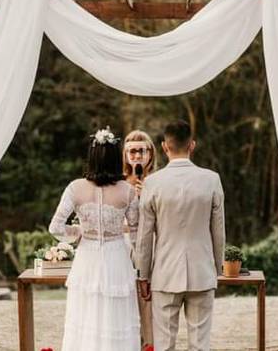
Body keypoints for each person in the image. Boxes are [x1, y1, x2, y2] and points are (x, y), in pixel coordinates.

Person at [135, 120, 225, 351]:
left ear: (164, 147)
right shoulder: (211, 179)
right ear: (192, 145)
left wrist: (143, 275)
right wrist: (217, 269)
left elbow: (144, 237)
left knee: (164, 344)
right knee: (200, 344)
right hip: (202, 271)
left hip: (164, 273)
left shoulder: (152, 183)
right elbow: (218, 231)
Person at [49, 127, 140, 351]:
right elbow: (139, 234)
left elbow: (55, 227)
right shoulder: (127, 191)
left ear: (92, 157)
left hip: (87, 259)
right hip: (117, 258)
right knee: (115, 316)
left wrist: (78, 232)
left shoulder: (75, 188)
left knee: (86, 314)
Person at [123, 130, 157, 349]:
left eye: (141, 150)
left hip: (153, 248)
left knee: (149, 305)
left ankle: (151, 344)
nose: (136, 156)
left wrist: (147, 195)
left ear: (150, 153)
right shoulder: (117, 183)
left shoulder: (159, 181)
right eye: (131, 151)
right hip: (125, 249)